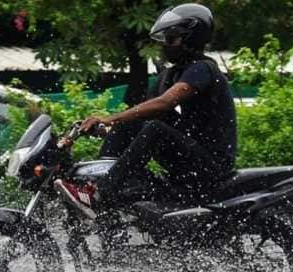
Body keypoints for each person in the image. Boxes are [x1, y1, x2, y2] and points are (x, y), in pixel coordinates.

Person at [54, 3, 237, 219]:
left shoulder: (203, 68)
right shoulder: (168, 76)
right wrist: (105, 128)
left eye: (171, 39)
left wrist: (108, 118)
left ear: (191, 38)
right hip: (188, 157)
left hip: (211, 166)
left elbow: (165, 103)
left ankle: (100, 194)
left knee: (155, 129)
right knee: (133, 121)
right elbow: (142, 114)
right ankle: (101, 190)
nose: (164, 46)